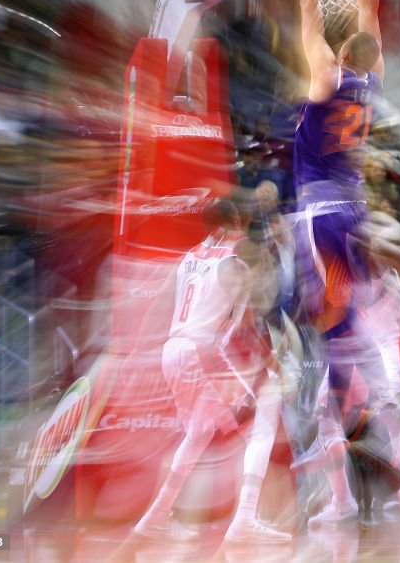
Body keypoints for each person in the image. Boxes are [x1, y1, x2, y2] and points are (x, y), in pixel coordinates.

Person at [291, 0, 400, 526]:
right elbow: (371, 11)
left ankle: (345, 481)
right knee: (352, 340)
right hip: (355, 214)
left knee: (325, 342)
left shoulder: (325, 75)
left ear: (333, 49)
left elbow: (306, 9)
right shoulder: (370, 87)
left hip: (321, 216)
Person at [133, 198, 291, 543]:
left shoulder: (188, 257)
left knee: (199, 433)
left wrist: (137, 351)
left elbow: (159, 304)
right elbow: (245, 322)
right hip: (200, 353)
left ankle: (154, 518)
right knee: (264, 418)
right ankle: (245, 521)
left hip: (171, 350)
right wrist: (269, 361)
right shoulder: (232, 259)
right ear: (233, 220)